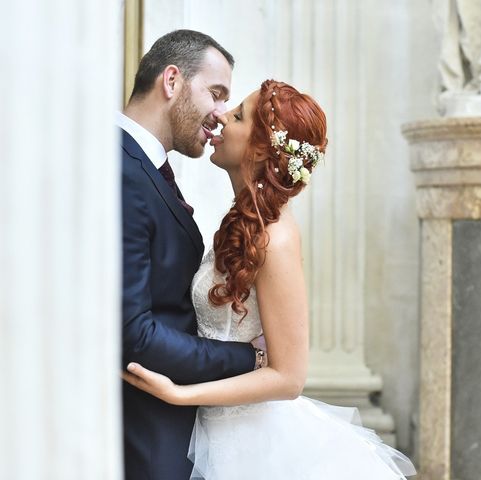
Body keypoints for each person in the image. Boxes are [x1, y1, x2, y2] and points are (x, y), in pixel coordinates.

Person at [123, 79, 416, 479]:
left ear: (260, 149)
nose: (222, 116)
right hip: (201, 425)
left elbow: (289, 377)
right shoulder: (241, 223)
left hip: (249, 442)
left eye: (238, 114)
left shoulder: (276, 239)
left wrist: (181, 394)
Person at [118, 29, 266, 480]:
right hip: (144, 431)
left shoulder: (145, 166)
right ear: (171, 81)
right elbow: (134, 332)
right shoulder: (121, 168)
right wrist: (249, 359)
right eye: (216, 93)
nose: (221, 114)